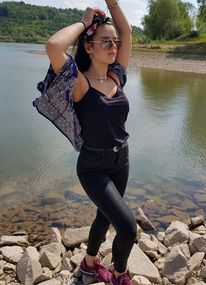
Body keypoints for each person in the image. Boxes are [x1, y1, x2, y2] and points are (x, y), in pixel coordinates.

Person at [34, 1, 137, 284]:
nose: (113, 45)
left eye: (113, 41)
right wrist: (84, 22)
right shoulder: (79, 84)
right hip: (93, 167)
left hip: (121, 161)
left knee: (104, 217)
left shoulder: (117, 75)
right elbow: (54, 47)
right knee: (128, 228)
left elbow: (126, 32)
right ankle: (119, 275)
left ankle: (90, 263)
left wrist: (112, 4)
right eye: (105, 41)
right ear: (89, 47)